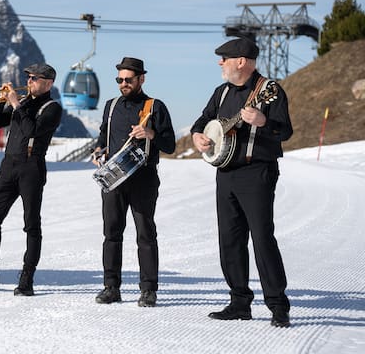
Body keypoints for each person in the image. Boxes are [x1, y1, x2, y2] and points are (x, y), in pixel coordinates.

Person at [191, 38, 293, 328]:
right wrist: (198, 136)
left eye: (224, 58)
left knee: (262, 238)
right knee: (230, 239)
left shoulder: (269, 90)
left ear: (242, 61)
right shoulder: (221, 93)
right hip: (225, 174)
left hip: (257, 172)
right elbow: (202, 121)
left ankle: (277, 304)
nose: (219, 63)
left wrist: (263, 121)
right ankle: (239, 302)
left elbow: (285, 131)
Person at [0, 63, 63, 296]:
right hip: (9, 165)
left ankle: (27, 279)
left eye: (34, 78)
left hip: (31, 167)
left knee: (31, 224)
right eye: (28, 77)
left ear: (48, 83)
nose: (29, 82)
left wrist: (16, 104)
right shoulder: (23, 103)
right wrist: (1, 101)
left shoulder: (52, 108)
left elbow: (31, 130)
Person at [92, 57, 175, 307]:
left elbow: (170, 144)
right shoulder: (111, 105)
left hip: (144, 178)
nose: (123, 84)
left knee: (145, 234)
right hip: (114, 178)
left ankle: (148, 290)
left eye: (128, 80)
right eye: (120, 80)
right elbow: (102, 137)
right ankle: (111, 287)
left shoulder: (155, 106)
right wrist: (98, 151)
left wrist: (150, 133)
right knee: (111, 234)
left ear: (141, 79)